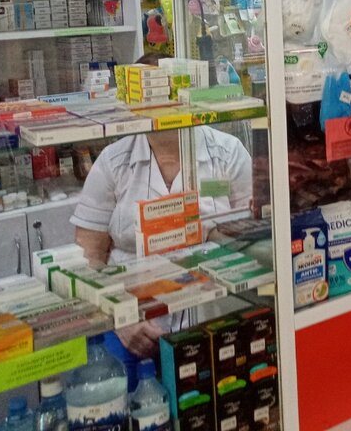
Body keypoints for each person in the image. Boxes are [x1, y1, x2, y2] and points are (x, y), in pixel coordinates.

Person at [71, 58, 253, 362]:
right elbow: (88, 255)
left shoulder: (228, 153)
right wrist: (120, 317)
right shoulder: (113, 162)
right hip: (133, 330)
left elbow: (252, 237)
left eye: (169, 95)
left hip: (215, 323)